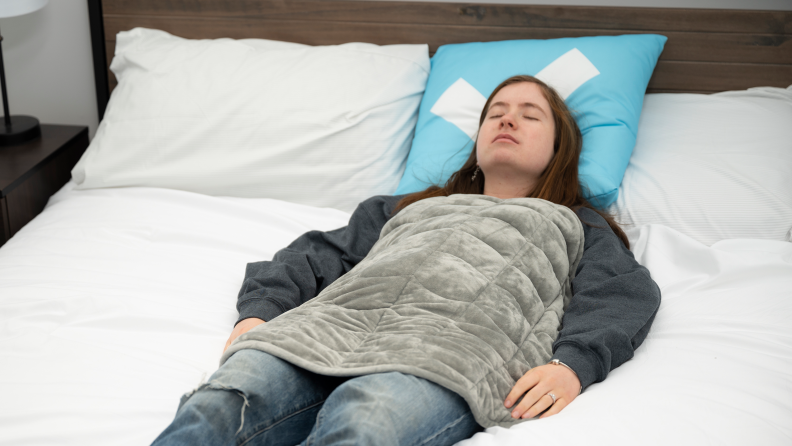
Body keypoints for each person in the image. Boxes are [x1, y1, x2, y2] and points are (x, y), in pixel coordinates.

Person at [151, 75, 661, 446]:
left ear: (559, 147)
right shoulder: (405, 208)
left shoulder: (576, 224)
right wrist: (258, 313)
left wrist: (571, 365)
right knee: (217, 408)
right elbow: (315, 255)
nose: (508, 118)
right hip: (322, 333)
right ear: (479, 138)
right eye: (495, 112)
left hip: (449, 354)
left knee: (364, 424)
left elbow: (621, 294)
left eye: (530, 114)